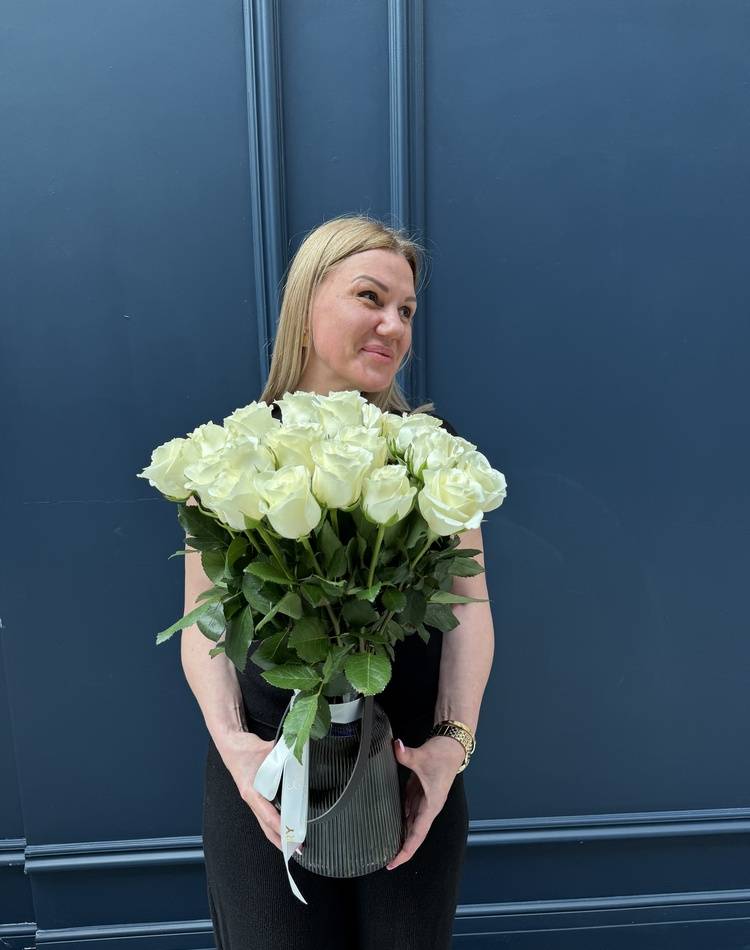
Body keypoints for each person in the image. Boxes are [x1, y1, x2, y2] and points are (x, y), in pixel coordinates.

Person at [180, 213, 495, 948]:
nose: (393, 324)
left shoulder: (431, 455)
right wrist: (232, 744)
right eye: (369, 296)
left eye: (407, 311)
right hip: (265, 771)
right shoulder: (231, 454)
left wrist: (451, 743)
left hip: (406, 771)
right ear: (305, 307)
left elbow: (470, 610)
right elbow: (205, 622)